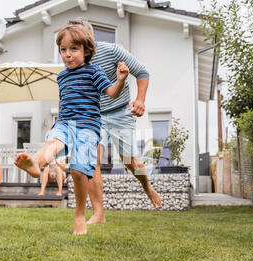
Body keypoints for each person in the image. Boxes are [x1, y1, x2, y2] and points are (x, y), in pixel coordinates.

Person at [15, 23, 129, 235]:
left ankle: (79, 214)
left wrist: (120, 80)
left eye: (73, 49)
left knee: (78, 171)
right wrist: (56, 123)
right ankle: (35, 164)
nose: (67, 55)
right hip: (65, 122)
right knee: (52, 142)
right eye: (63, 50)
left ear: (86, 50)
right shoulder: (62, 76)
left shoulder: (94, 71)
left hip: (87, 127)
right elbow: (63, 101)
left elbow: (112, 92)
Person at [67, 18, 162, 225]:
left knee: (131, 162)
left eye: (80, 40)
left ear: (89, 38)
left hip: (120, 112)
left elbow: (142, 72)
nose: (73, 48)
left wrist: (140, 100)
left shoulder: (112, 50)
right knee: (93, 161)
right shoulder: (73, 61)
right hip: (94, 115)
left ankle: (147, 187)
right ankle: (98, 213)